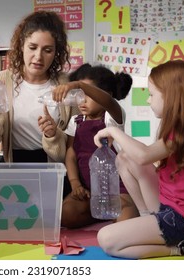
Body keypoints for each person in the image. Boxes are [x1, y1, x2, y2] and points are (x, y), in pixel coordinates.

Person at [93, 60, 184, 259]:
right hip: (173, 207)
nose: (148, 101)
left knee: (107, 240)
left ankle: (180, 248)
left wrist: (112, 130)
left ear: (172, 96)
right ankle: (149, 220)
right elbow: (139, 155)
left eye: (151, 95)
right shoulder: (183, 126)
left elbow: (144, 156)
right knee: (125, 158)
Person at [0, 11, 79, 164]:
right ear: (21, 45)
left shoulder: (64, 85)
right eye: (32, 47)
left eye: (47, 50)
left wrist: (53, 135)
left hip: (53, 167)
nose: (38, 57)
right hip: (14, 165)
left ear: (56, 52)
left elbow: (72, 147)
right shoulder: (2, 81)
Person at [53, 63, 138, 228]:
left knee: (126, 224)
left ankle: (117, 213)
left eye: (88, 94)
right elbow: (71, 153)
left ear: (106, 95)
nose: (82, 100)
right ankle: (101, 214)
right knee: (64, 215)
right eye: (78, 94)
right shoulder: (76, 121)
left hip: (117, 191)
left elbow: (108, 102)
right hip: (90, 191)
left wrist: (79, 84)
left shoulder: (113, 117)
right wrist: (75, 183)